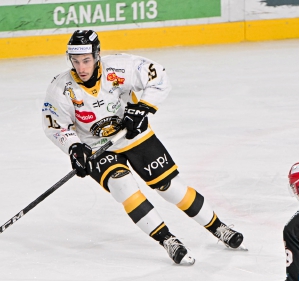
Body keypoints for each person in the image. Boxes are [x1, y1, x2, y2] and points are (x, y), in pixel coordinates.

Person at [41, 30, 244, 266]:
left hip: (133, 136)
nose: (81, 68)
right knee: (122, 186)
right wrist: (74, 148)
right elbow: (55, 125)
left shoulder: (119, 67)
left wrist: (144, 108)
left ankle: (219, 227)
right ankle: (167, 239)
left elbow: (158, 76)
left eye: (86, 60)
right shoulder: (61, 88)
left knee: (168, 187)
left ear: (97, 56)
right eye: (75, 62)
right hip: (97, 147)